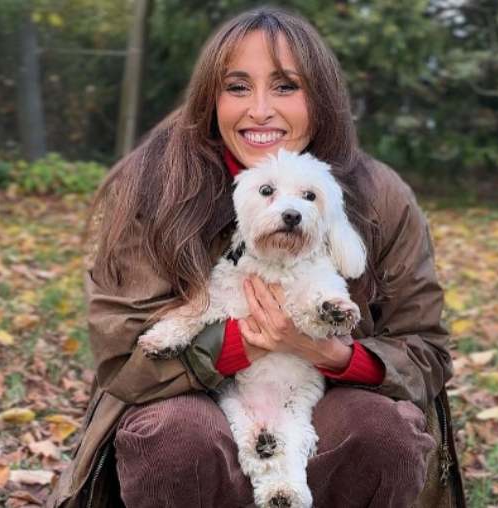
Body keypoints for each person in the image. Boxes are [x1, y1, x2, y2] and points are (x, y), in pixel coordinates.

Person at [46, 7, 465, 508]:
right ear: (210, 98)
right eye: (238, 87)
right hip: (185, 398)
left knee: (380, 431)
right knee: (174, 437)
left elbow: (426, 349)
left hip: (320, 394)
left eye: (286, 86)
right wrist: (242, 344)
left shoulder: (380, 197)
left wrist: (331, 353)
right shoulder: (153, 188)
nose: (260, 110)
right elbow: (123, 357)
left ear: (322, 97)